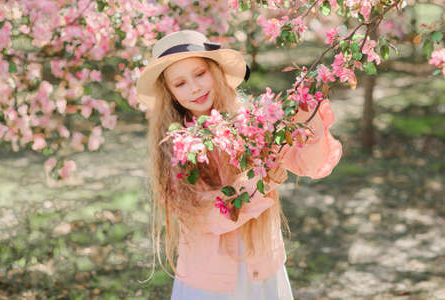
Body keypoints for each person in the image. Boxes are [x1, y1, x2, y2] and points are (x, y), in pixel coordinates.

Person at [136, 30, 342, 299]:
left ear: (215, 72)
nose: (195, 88)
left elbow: (310, 166)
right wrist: (260, 183)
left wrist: (306, 117)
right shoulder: (175, 147)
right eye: (180, 83)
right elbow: (207, 217)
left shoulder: (251, 122)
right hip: (210, 281)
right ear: (170, 92)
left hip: (262, 266)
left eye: (200, 74)